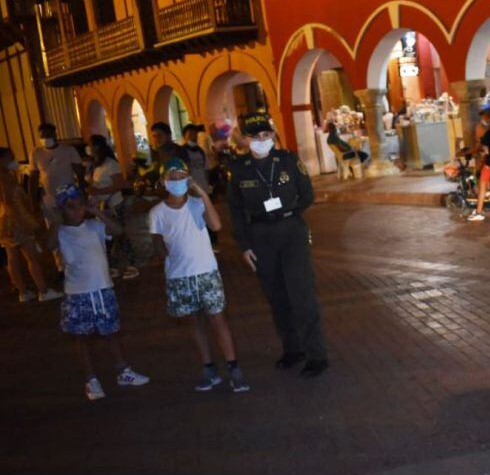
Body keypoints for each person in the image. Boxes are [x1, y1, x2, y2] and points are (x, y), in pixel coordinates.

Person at [227, 112, 328, 378]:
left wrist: (288, 211)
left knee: (301, 294)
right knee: (276, 296)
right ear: (246, 139)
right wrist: (244, 245)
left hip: (291, 231)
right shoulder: (238, 169)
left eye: (266, 134)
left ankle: (316, 355)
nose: (262, 140)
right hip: (260, 236)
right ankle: (293, 349)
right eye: (255, 136)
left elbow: (307, 194)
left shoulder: (287, 160)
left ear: (272, 135)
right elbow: (236, 211)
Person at [150, 159, 248, 393]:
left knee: (218, 319)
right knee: (194, 322)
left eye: (181, 176)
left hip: (206, 271)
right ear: (164, 181)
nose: (177, 181)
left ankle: (234, 368)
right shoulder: (157, 213)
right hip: (179, 276)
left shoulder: (196, 203)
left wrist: (202, 193)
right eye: (172, 177)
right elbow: (158, 244)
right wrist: (171, 261)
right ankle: (209, 368)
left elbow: (216, 226)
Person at [48, 184, 149, 400]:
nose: (77, 210)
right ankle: (91, 379)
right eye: (70, 206)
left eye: (80, 204)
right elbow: (48, 245)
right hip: (78, 292)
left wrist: (97, 211)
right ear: (61, 209)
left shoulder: (94, 226)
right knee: (82, 337)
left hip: (103, 288)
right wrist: (56, 222)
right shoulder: (62, 232)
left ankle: (123, 370)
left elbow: (118, 231)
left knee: (111, 332)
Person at [0, 148, 62, 303]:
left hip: (4, 223)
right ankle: (43, 290)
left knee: (12, 258)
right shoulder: (5, 179)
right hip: (17, 222)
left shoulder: (5, 176)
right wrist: (30, 222)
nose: (14, 161)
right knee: (31, 257)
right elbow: (13, 203)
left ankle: (23, 292)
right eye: (11, 158)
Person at [31, 122, 84, 271]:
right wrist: (33, 200)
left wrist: (82, 192)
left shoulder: (68, 150)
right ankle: (61, 266)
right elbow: (34, 176)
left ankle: (77, 260)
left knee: (72, 226)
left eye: (48, 135)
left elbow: (79, 171)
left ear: (55, 134)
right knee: (54, 229)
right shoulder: (36, 152)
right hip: (49, 198)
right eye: (43, 136)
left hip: (69, 196)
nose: (46, 138)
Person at [87, 135, 139, 280]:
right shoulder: (95, 165)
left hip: (115, 204)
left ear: (97, 147)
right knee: (107, 237)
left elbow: (119, 184)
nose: (89, 149)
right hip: (101, 206)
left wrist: (99, 192)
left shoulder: (111, 164)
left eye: (91, 145)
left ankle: (131, 264)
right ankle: (113, 265)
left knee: (120, 235)